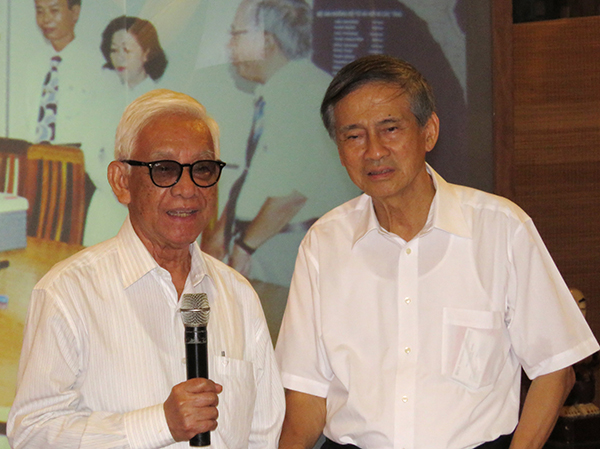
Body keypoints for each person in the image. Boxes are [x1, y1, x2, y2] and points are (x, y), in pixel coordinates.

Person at [275, 55, 600, 449]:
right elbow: (307, 395)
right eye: (354, 136)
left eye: (390, 129)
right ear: (339, 150)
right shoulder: (324, 243)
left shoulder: (500, 228)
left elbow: (556, 369)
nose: (374, 151)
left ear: (428, 132)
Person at [7, 89, 285, 448]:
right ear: (122, 182)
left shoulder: (238, 295)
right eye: (165, 169)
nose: (187, 189)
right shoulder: (68, 292)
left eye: (202, 169)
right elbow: (33, 434)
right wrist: (160, 423)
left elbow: (263, 433)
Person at [202, 0, 358, 291]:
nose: (229, 45)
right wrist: (222, 234)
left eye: (236, 34)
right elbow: (259, 179)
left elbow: (291, 196)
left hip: (284, 250)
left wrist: (244, 248)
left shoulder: (304, 95)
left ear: (267, 41)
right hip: (265, 243)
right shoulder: (280, 91)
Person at [100, 15, 168, 91]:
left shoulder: (157, 93)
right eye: (114, 50)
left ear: (146, 54)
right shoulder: (107, 89)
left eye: (126, 50)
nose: (119, 57)